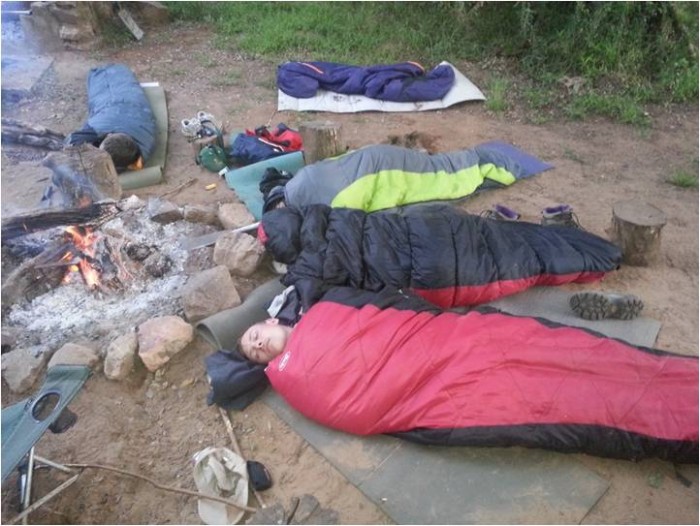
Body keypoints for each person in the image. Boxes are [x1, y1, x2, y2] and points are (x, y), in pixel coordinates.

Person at [233, 284, 698, 463]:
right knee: (561, 399)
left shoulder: (328, 307)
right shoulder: (290, 377)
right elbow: (352, 405)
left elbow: (397, 307)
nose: (256, 346)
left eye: (254, 335)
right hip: (423, 393)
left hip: (443, 342)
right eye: (253, 354)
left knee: (569, 351)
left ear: (273, 320)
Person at [65, 63, 156, 173]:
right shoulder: (142, 149)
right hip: (125, 104)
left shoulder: (99, 126)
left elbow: (71, 142)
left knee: (102, 87)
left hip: (111, 104)